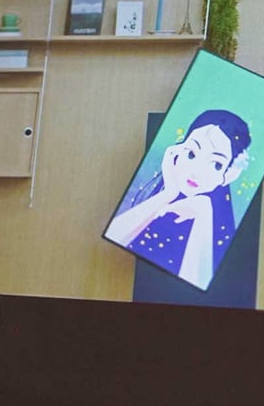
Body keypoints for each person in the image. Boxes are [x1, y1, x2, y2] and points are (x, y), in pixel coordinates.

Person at [106, 109, 251, 290]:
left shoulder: (219, 225)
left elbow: (196, 285)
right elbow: (113, 237)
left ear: (228, 175)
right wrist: (168, 194)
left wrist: (204, 215)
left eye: (216, 165)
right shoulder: (161, 196)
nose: (196, 171)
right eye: (191, 154)